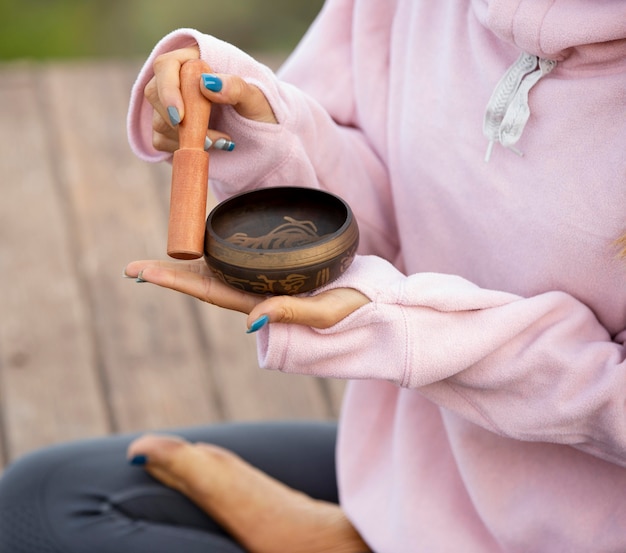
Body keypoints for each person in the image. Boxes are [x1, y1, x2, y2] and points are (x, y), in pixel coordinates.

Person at [1, 0, 626, 551]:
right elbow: (384, 206)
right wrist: (257, 128)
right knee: (40, 502)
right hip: (416, 472)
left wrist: (403, 328)